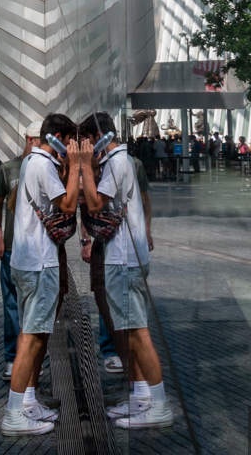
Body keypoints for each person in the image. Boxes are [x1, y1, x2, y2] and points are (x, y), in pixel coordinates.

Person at [80, 113, 172, 431]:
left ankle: (159, 405)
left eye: (86, 140)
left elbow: (95, 204)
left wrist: (84, 166)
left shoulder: (118, 163)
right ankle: (142, 396)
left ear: (99, 137)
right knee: (131, 333)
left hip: (125, 260)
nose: (83, 146)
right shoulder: (119, 161)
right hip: (125, 258)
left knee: (138, 334)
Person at [0, 113, 81, 436]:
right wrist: (76, 166)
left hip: (25, 260)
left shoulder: (30, 162)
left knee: (30, 334)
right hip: (39, 262)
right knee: (32, 338)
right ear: (58, 138)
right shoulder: (44, 165)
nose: (72, 146)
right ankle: (14, 414)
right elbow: (68, 205)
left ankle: (28, 401)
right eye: (70, 140)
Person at [0, 121, 42, 381]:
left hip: (38, 249)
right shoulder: (8, 168)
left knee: (37, 307)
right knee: (12, 305)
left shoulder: (48, 168)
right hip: (11, 247)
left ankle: (32, 357)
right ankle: (12, 358)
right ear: (30, 140)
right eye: (41, 140)